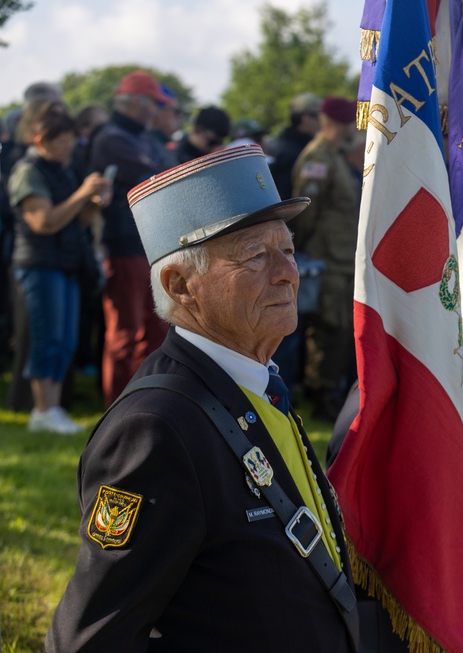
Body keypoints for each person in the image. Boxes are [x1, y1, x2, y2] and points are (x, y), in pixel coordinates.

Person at [46, 145, 361, 651]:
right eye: (256, 255)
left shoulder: (254, 381)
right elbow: (91, 638)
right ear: (181, 285)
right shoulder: (155, 429)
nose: (287, 272)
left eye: (288, 249)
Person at [6, 102, 110, 433]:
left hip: (65, 264)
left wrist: (93, 204)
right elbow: (44, 222)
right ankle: (42, 410)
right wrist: (82, 193)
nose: (69, 147)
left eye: (71, 140)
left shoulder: (63, 169)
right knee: (47, 339)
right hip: (38, 264)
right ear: (40, 140)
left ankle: (52, 409)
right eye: (62, 140)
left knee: (65, 340)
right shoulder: (28, 171)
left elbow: (77, 222)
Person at [89, 70, 172, 406]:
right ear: (136, 103)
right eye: (154, 103)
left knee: (154, 333)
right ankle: (118, 408)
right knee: (125, 334)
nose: (156, 111)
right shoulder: (112, 137)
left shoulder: (139, 138)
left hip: (148, 245)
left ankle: (145, 403)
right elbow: (157, 176)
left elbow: (164, 170)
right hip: (124, 246)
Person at [289, 96, 361, 420]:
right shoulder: (317, 157)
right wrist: (303, 252)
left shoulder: (335, 156)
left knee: (342, 329)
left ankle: (329, 390)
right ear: (340, 124)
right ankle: (320, 394)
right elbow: (306, 210)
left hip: (342, 258)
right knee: (327, 329)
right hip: (325, 258)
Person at [269, 93, 322, 200]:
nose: (322, 122)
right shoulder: (294, 152)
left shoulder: (282, 144)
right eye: (319, 117)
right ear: (306, 118)